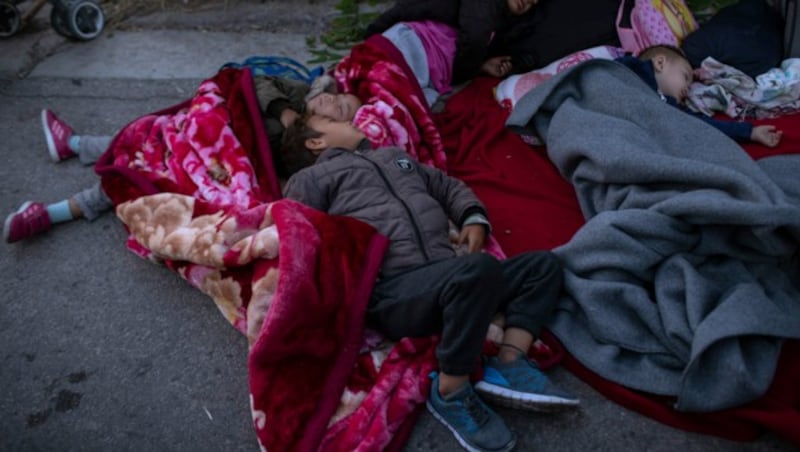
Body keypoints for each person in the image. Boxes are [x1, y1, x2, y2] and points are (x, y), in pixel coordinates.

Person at [280, 113, 579, 452]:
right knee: (477, 271)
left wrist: (472, 216)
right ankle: (451, 389)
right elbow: (302, 235)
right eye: (331, 119)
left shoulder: (395, 157)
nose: (347, 118)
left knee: (543, 265)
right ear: (315, 142)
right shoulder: (311, 178)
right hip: (394, 291)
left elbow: (447, 187)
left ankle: (511, 360)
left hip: (449, 275)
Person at [3, 76, 363, 244]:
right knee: (149, 134)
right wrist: (285, 112)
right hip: (208, 127)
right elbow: (252, 82)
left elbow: (271, 185)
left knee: (145, 173)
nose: (336, 108)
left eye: (342, 114)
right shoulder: (299, 95)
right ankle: (78, 144)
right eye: (339, 104)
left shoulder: (306, 156)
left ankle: (51, 213)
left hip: (219, 160)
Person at [617, 45, 783, 148]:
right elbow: (600, 75)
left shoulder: (670, 106)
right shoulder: (631, 69)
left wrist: (749, 133)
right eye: (685, 77)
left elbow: (703, 125)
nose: (688, 89)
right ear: (660, 63)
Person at [364, 0, 541, 84]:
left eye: (535, 2)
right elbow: (475, 37)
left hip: (431, 69)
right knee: (370, 83)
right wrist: (372, 36)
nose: (531, 1)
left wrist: (481, 67)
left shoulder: (503, 20)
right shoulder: (486, 6)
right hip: (412, 46)